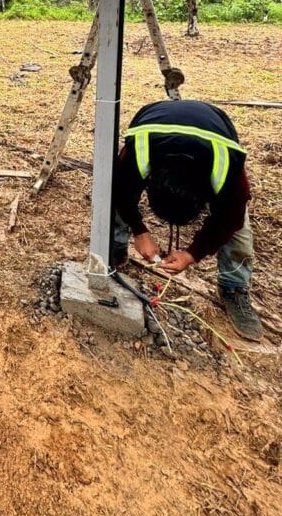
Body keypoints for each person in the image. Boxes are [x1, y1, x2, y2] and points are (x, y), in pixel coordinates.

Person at [112, 98, 263, 341]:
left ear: (206, 197)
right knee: (116, 195)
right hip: (155, 123)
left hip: (216, 128)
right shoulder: (139, 151)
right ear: (150, 184)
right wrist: (139, 230)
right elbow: (121, 190)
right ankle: (116, 248)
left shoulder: (226, 167)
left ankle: (234, 287)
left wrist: (193, 253)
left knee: (238, 226)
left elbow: (229, 218)